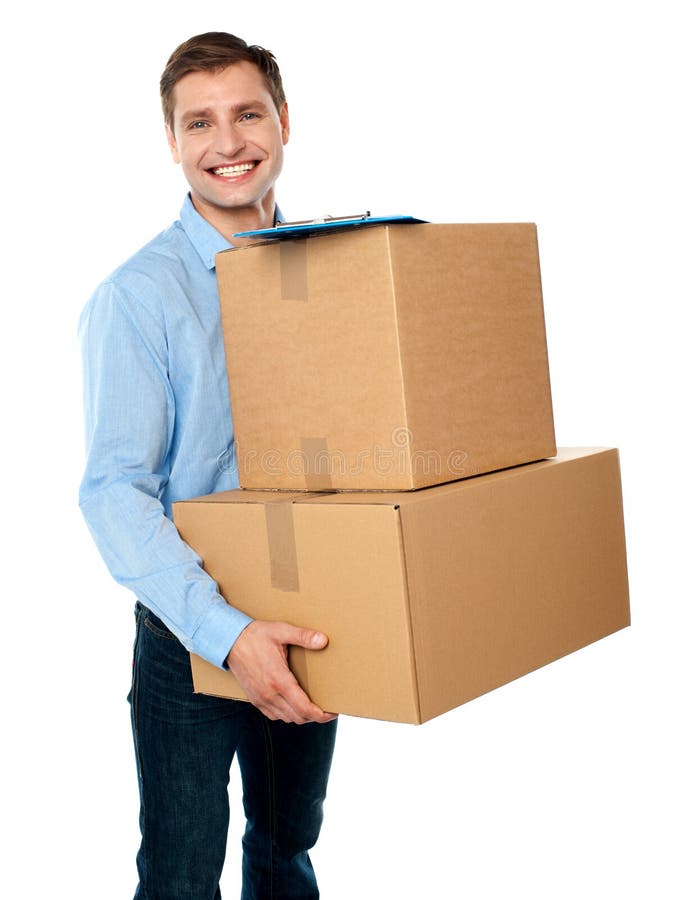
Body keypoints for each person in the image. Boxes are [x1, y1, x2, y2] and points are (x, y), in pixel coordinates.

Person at [79, 31, 338, 899]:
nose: (227, 145)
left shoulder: (329, 276)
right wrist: (228, 637)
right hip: (191, 632)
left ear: (284, 121)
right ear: (174, 142)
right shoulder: (138, 296)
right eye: (200, 123)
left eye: (246, 114)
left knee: (286, 847)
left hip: (312, 619)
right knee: (183, 874)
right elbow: (117, 492)